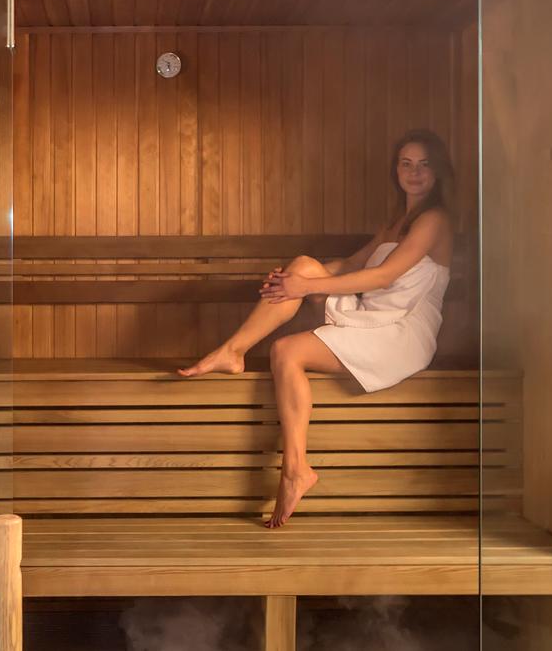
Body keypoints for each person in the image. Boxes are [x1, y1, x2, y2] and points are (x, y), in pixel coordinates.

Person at [178, 128, 455, 529]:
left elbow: (383, 276)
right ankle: (233, 351)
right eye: (406, 163)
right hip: (373, 314)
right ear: (395, 170)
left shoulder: (434, 220)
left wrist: (305, 288)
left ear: (438, 171)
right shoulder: (395, 222)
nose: (414, 172)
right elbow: (352, 265)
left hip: (402, 332)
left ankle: (295, 470)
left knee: (286, 350)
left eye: (424, 165)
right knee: (305, 265)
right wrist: (294, 279)